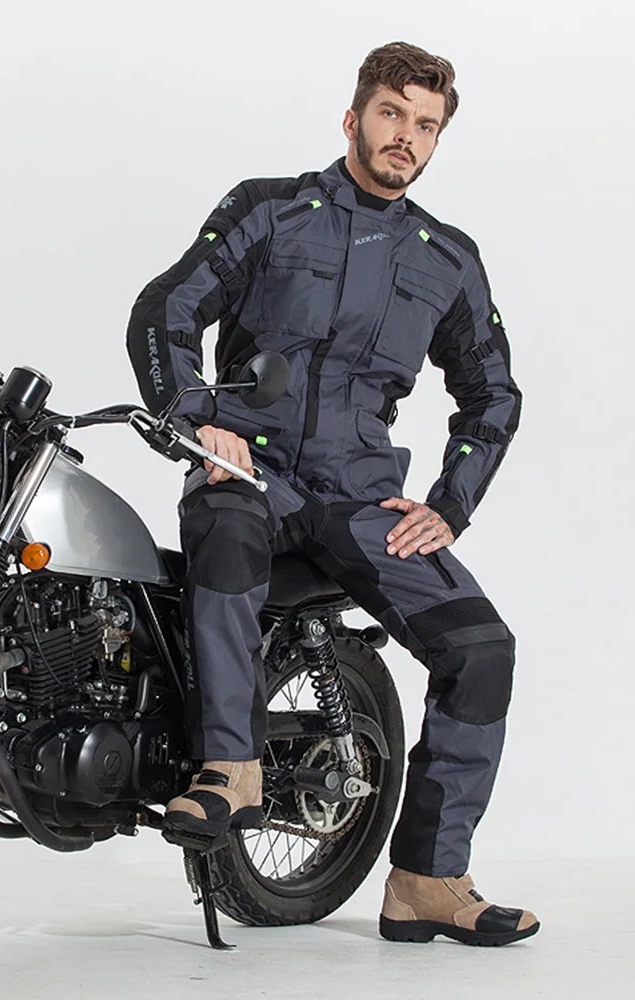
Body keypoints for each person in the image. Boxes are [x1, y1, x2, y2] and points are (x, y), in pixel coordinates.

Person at [125, 41, 538, 947]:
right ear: (353, 119)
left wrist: (450, 504)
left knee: (482, 649)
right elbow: (166, 309)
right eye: (392, 114)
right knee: (226, 525)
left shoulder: (447, 259)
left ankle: (427, 879)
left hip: (361, 500)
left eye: (425, 125)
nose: (406, 136)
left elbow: (494, 395)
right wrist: (197, 417)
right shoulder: (270, 210)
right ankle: (231, 767)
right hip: (251, 472)